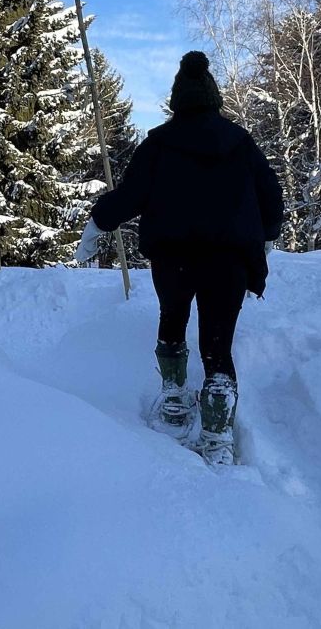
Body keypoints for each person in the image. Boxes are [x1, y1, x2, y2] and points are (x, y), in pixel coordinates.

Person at [75, 51, 283, 466]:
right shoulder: (240, 142)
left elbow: (130, 195)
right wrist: (266, 236)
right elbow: (271, 194)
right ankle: (218, 438)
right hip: (228, 260)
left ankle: (173, 403)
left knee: (172, 319)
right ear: (213, 97)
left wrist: (97, 225)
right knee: (218, 344)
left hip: (173, 258)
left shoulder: (159, 144)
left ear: (177, 100)